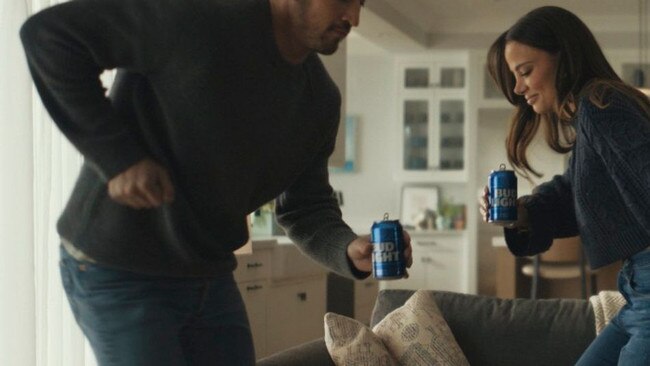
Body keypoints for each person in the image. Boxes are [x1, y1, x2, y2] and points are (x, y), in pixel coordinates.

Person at [19, 0, 412, 364]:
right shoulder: (200, 18)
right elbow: (50, 36)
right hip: (119, 266)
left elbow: (305, 208)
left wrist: (347, 247)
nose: (353, 18)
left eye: (359, 3)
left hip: (209, 275)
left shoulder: (319, 102)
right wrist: (118, 158)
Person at [478, 6, 650, 365]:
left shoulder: (602, 105)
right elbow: (573, 191)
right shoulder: (591, 112)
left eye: (525, 71)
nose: (518, 88)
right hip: (636, 293)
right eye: (514, 76)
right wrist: (520, 213)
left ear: (565, 58)